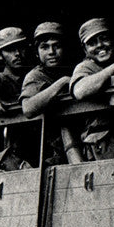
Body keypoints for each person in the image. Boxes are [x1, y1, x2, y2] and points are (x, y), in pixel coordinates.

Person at [21, 22, 82, 165]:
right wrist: (62, 82)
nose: (51, 52)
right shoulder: (35, 76)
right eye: (44, 47)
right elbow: (28, 108)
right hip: (49, 150)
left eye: (57, 46)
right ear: (36, 52)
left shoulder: (72, 68)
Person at [70, 17, 114, 161]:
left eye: (104, 39)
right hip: (103, 146)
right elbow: (79, 90)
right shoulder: (85, 67)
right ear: (84, 49)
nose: (100, 45)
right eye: (92, 43)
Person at [0, 26, 29, 104]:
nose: (17, 53)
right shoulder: (0, 81)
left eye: (21, 47)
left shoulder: (36, 75)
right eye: (10, 50)